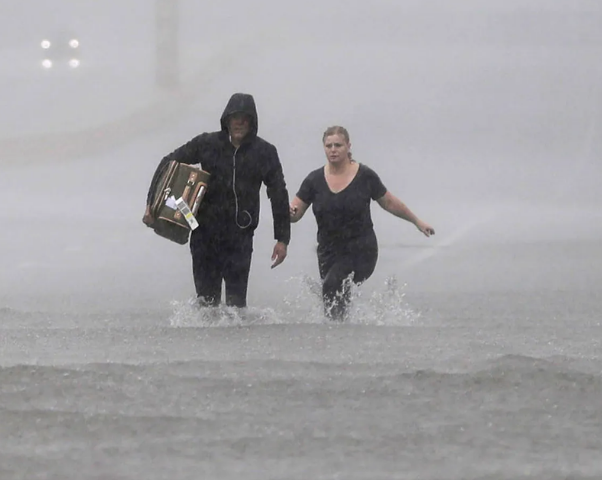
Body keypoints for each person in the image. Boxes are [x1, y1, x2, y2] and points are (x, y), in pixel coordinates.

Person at [143, 92, 290, 308]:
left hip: (240, 236)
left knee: (236, 306)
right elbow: (168, 161)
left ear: (252, 121)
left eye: (245, 118)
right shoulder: (207, 143)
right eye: (235, 117)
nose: (239, 123)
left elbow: (278, 193)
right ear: (227, 120)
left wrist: (282, 239)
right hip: (204, 233)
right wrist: (152, 204)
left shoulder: (265, 152)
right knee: (206, 304)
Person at [289, 125, 434, 321]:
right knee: (335, 292)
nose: (333, 149)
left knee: (332, 285)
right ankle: (346, 331)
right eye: (329, 145)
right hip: (328, 251)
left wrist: (417, 221)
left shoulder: (365, 176)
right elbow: (295, 212)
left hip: (361, 249)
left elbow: (389, 202)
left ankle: (335, 333)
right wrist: (288, 212)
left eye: (338, 145)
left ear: (348, 146)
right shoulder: (314, 180)